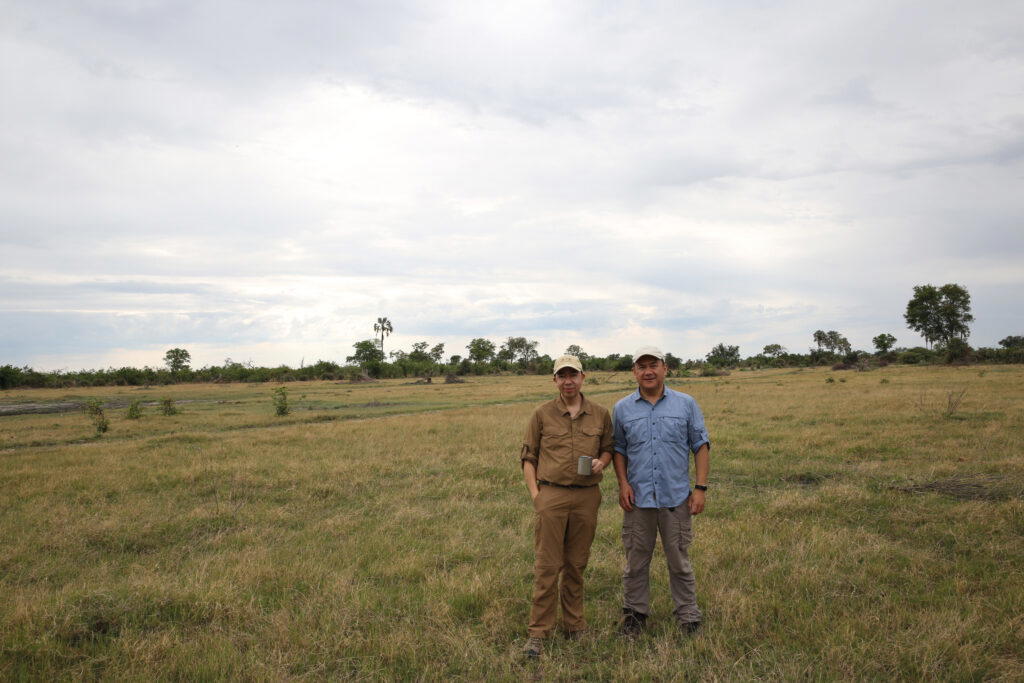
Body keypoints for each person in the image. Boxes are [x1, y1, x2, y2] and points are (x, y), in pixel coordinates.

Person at [519, 354, 614, 659]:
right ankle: (538, 632)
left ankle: (574, 625)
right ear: (555, 380)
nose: (568, 381)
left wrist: (603, 462)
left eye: (573, 375)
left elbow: (608, 448)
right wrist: (537, 495)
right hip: (552, 496)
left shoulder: (600, 414)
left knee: (576, 564)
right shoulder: (542, 414)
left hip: (586, 497)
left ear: (583, 377)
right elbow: (528, 457)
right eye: (562, 376)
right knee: (548, 566)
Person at [612, 346, 710, 636]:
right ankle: (635, 615)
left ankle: (688, 615)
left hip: (675, 497)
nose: (648, 371)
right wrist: (623, 483)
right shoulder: (622, 408)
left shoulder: (686, 404)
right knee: (635, 562)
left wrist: (700, 488)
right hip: (638, 499)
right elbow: (618, 448)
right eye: (641, 367)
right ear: (634, 372)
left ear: (665, 368)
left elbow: (700, 446)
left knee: (679, 560)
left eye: (653, 365)